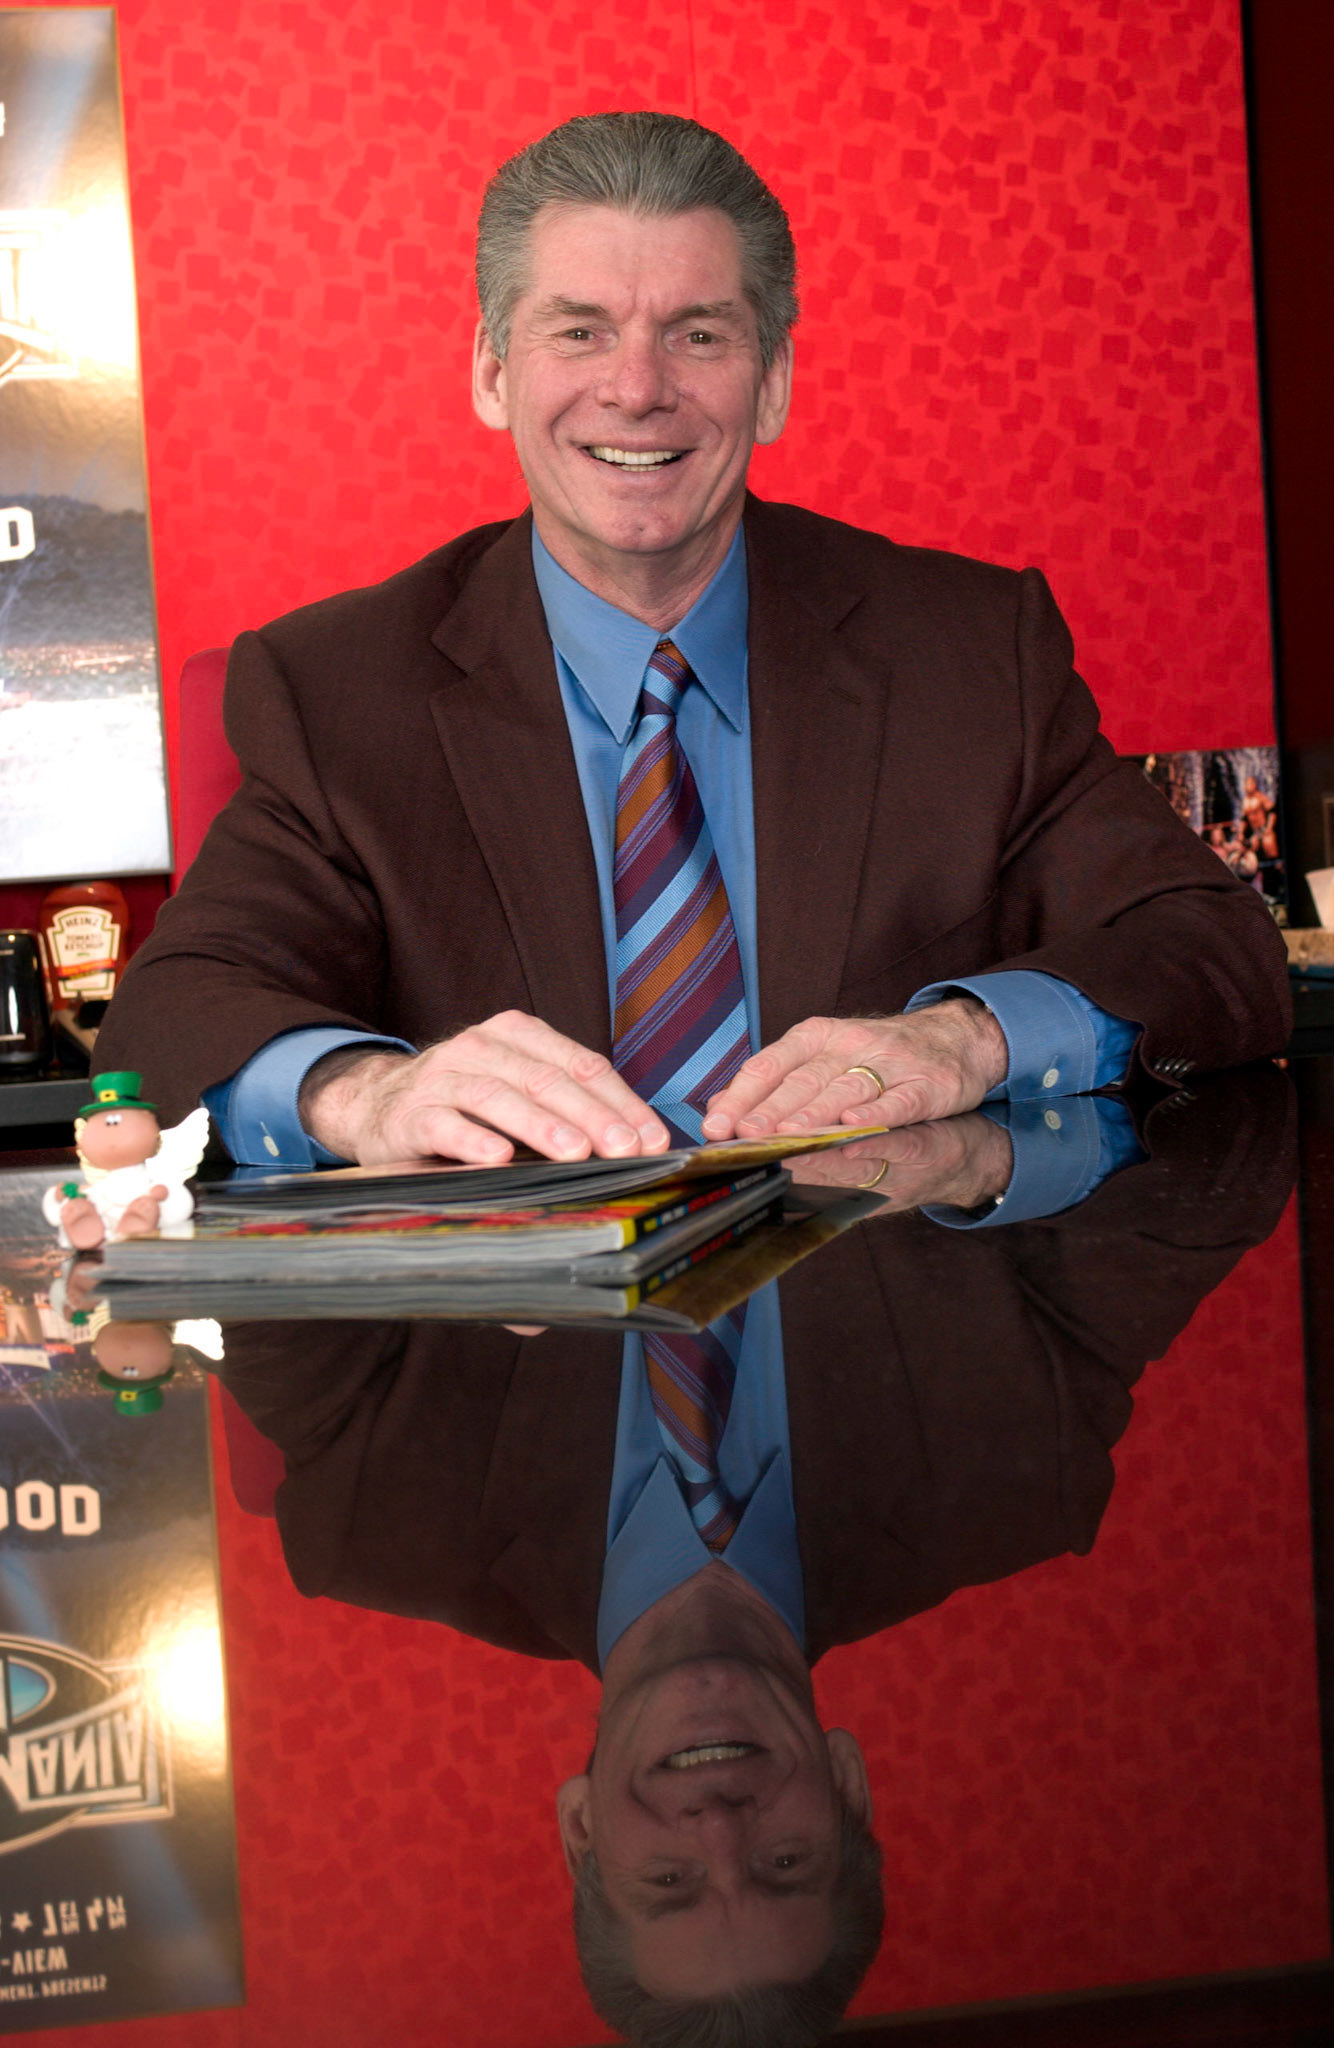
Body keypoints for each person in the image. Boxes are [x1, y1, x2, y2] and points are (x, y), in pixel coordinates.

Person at [93, 110, 1291, 2042]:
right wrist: (358, 1094)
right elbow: (178, 1012)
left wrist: (964, 1034)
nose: (636, 390)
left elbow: (1209, 948)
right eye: (577, 331)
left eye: (698, 335)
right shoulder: (341, 684)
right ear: (491, 369)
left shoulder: (966, 644)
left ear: (778, 372)